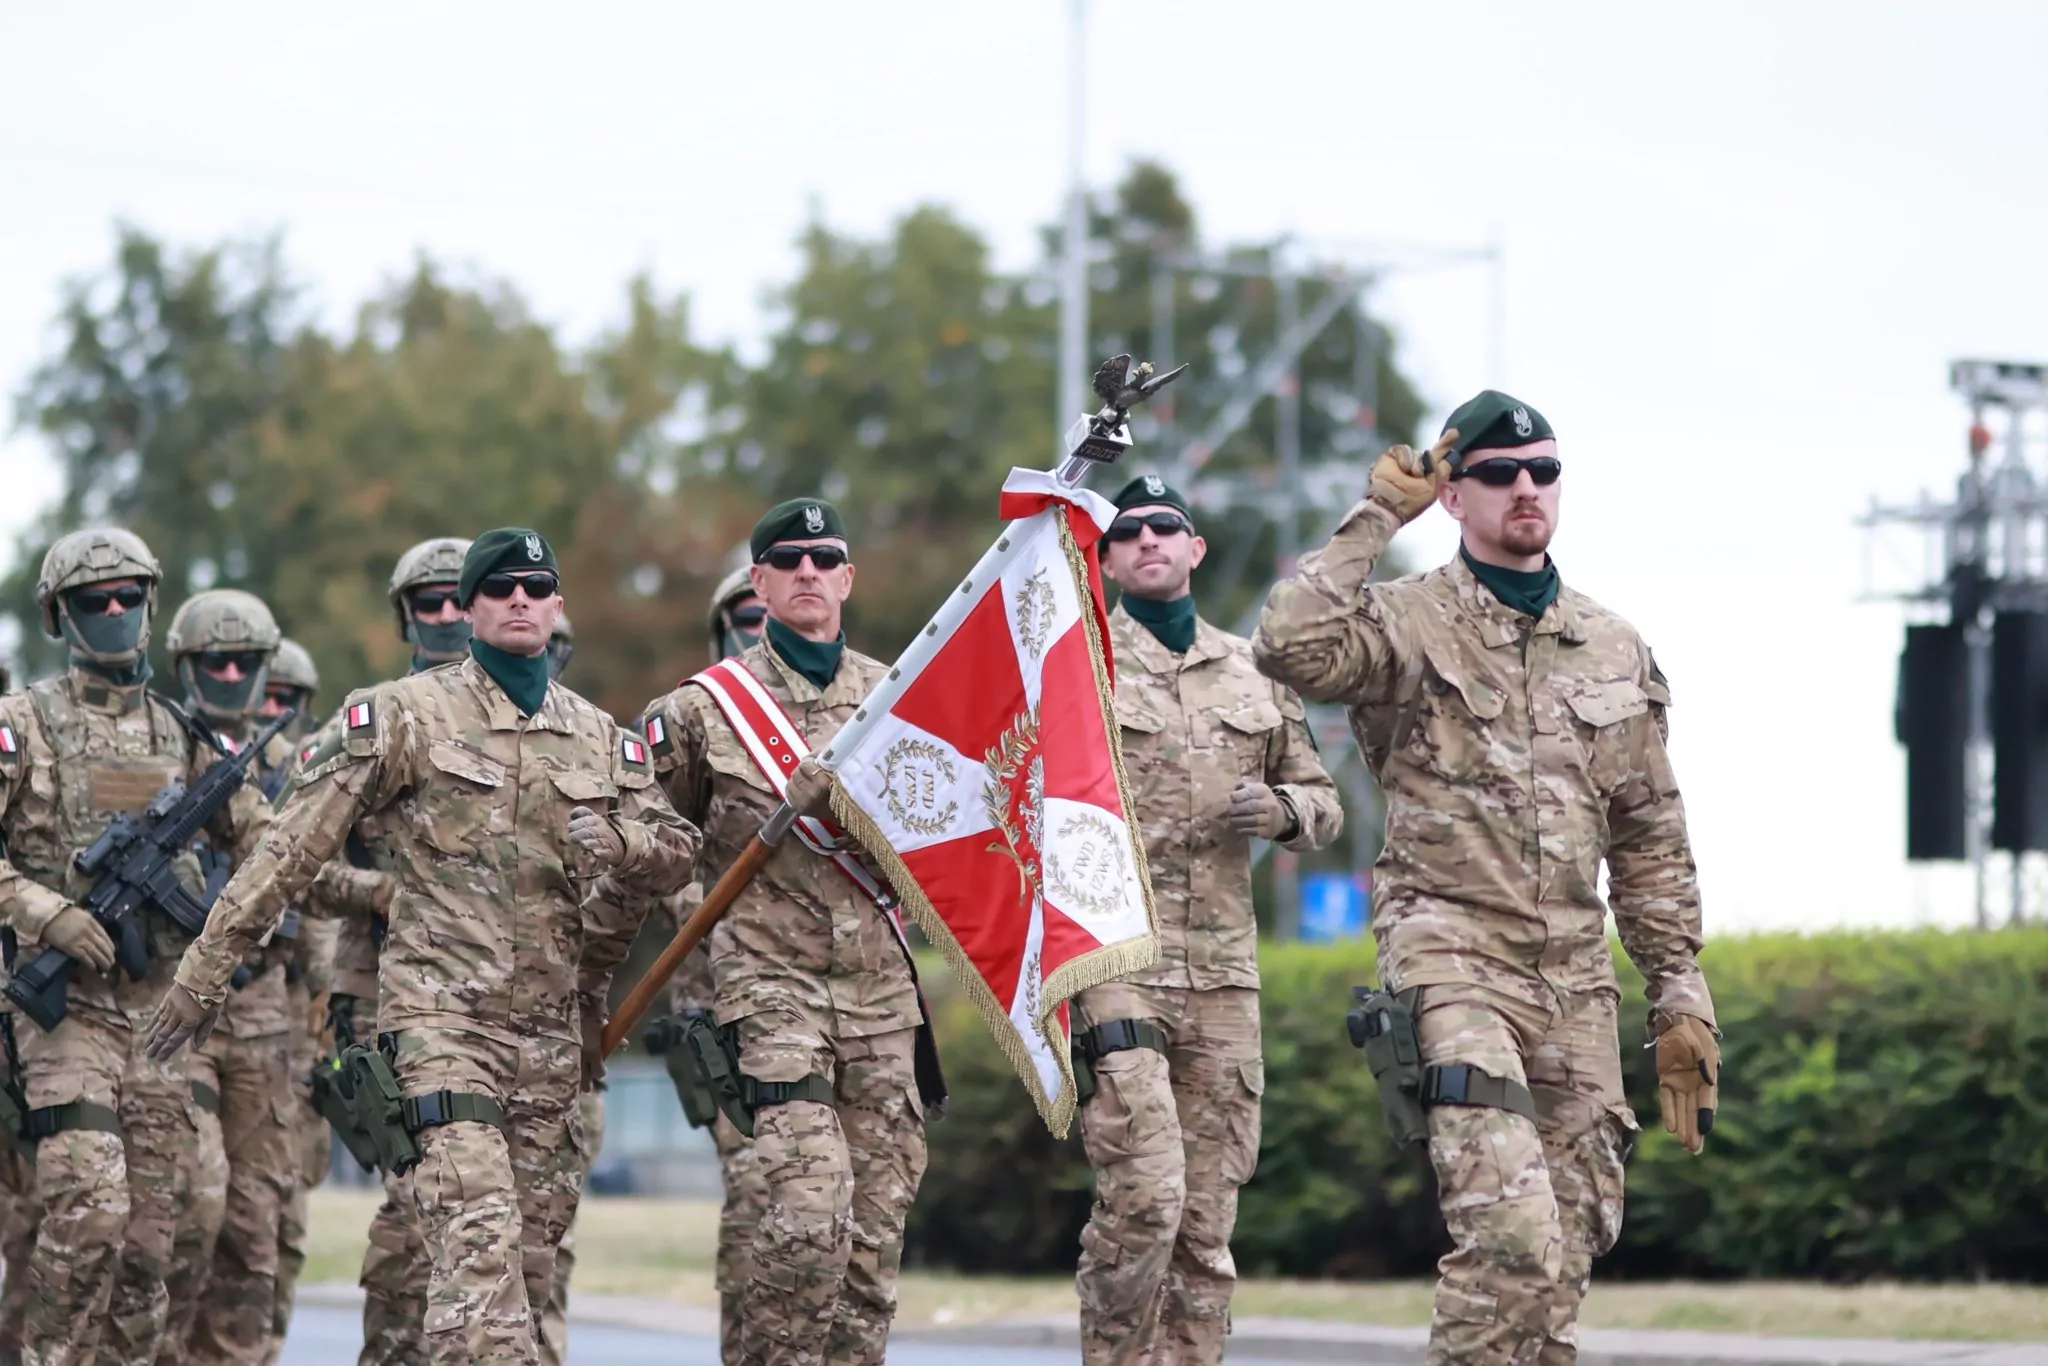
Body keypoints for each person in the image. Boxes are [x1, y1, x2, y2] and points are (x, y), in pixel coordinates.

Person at [143, 528, 698, 1366]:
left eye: (535, 585)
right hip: (441, 1033)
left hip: (548, 1046)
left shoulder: (599, 737)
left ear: (557, 606)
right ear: (469, 609)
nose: (519, 598)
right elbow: (288, 851)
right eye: (499, 586)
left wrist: (625, 845)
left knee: (526, 1279)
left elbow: (679, 851)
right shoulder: (404, 716)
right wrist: (203, 975)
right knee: (479, 1268)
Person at [1251, 392, 1721, 1366]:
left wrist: (1678, 986)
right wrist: (1378, 515)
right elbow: (1289, 647)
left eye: (1542, 471)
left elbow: (1647, 832)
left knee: (1567, 1248)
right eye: (1499, 474)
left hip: (1572, 975)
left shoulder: (1610, 643)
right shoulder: (1407, 620)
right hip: (1451, 953)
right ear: (1454, 496)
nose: (1525, 489)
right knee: (1510, 1232)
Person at [634, 501, 926, 1366]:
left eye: (824, 558)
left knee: (871, 1251)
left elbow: (945, 843)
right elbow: (648, 846)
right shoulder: (701, 712)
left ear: (847, 579)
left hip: (882, 997)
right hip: (769, 990)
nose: (807, 572)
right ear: (757, 583)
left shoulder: (901, 700)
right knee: (807, 1212)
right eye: (788, 559)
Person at [1070, 476, 1343, 1365]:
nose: (1148, 539)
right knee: (1146, 1196)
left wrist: (1285, 812)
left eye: (1167, 527)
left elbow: (1324, 799)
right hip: (1118, 962)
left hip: (1224, 976)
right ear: (1108, 562)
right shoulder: (1079, 665)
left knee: (1206, 1221)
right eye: (1129, 532)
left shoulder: (1254, 670)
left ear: (1196, 549)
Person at [0, 529, 273, 1366]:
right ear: (60, 616)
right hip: (62, 1018)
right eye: (95, 599)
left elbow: (272, 845)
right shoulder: (22, 725)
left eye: (128, 595)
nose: (115, 610)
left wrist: (227, 927)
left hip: (160, 1024)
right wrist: (47, 913)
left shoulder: (184, 736)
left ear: (151, 605)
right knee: (90, 1210)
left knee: (160, 1241)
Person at [311, 537, 471, 1366]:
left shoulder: (534, 719)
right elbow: (296, 863)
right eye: (426, 602)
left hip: (499, 1001)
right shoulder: (363, 724)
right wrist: (377, 892)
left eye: (457, 598)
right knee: (416, 1206)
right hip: (385, 998)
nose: (444, 614)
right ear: (405, 616)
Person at [160, 589, 298, 1365]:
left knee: (254, 1225)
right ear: (187, 664)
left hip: (263, 1010)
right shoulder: (162, 746)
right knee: (192, 1204)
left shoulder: (297, 764)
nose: (231, 674)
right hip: (177, 1012)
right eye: (215, 660)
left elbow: (311, 873)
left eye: (246, 661)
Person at [642, 562, 769, 1364]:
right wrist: (718, 912)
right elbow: (654, 850)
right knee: (757, 1195)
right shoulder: (696, 720)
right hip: (721, 1009)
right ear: (723, 634)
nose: (762, 630)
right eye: (746, 619)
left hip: (832, 999)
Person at [255, 639, 334, 1366]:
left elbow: (324, 912)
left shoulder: (319, 778)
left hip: (300, 1025)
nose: (272, 710)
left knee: (287, 1218)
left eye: (287, 700)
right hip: (238, 1015)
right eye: (265, 694)